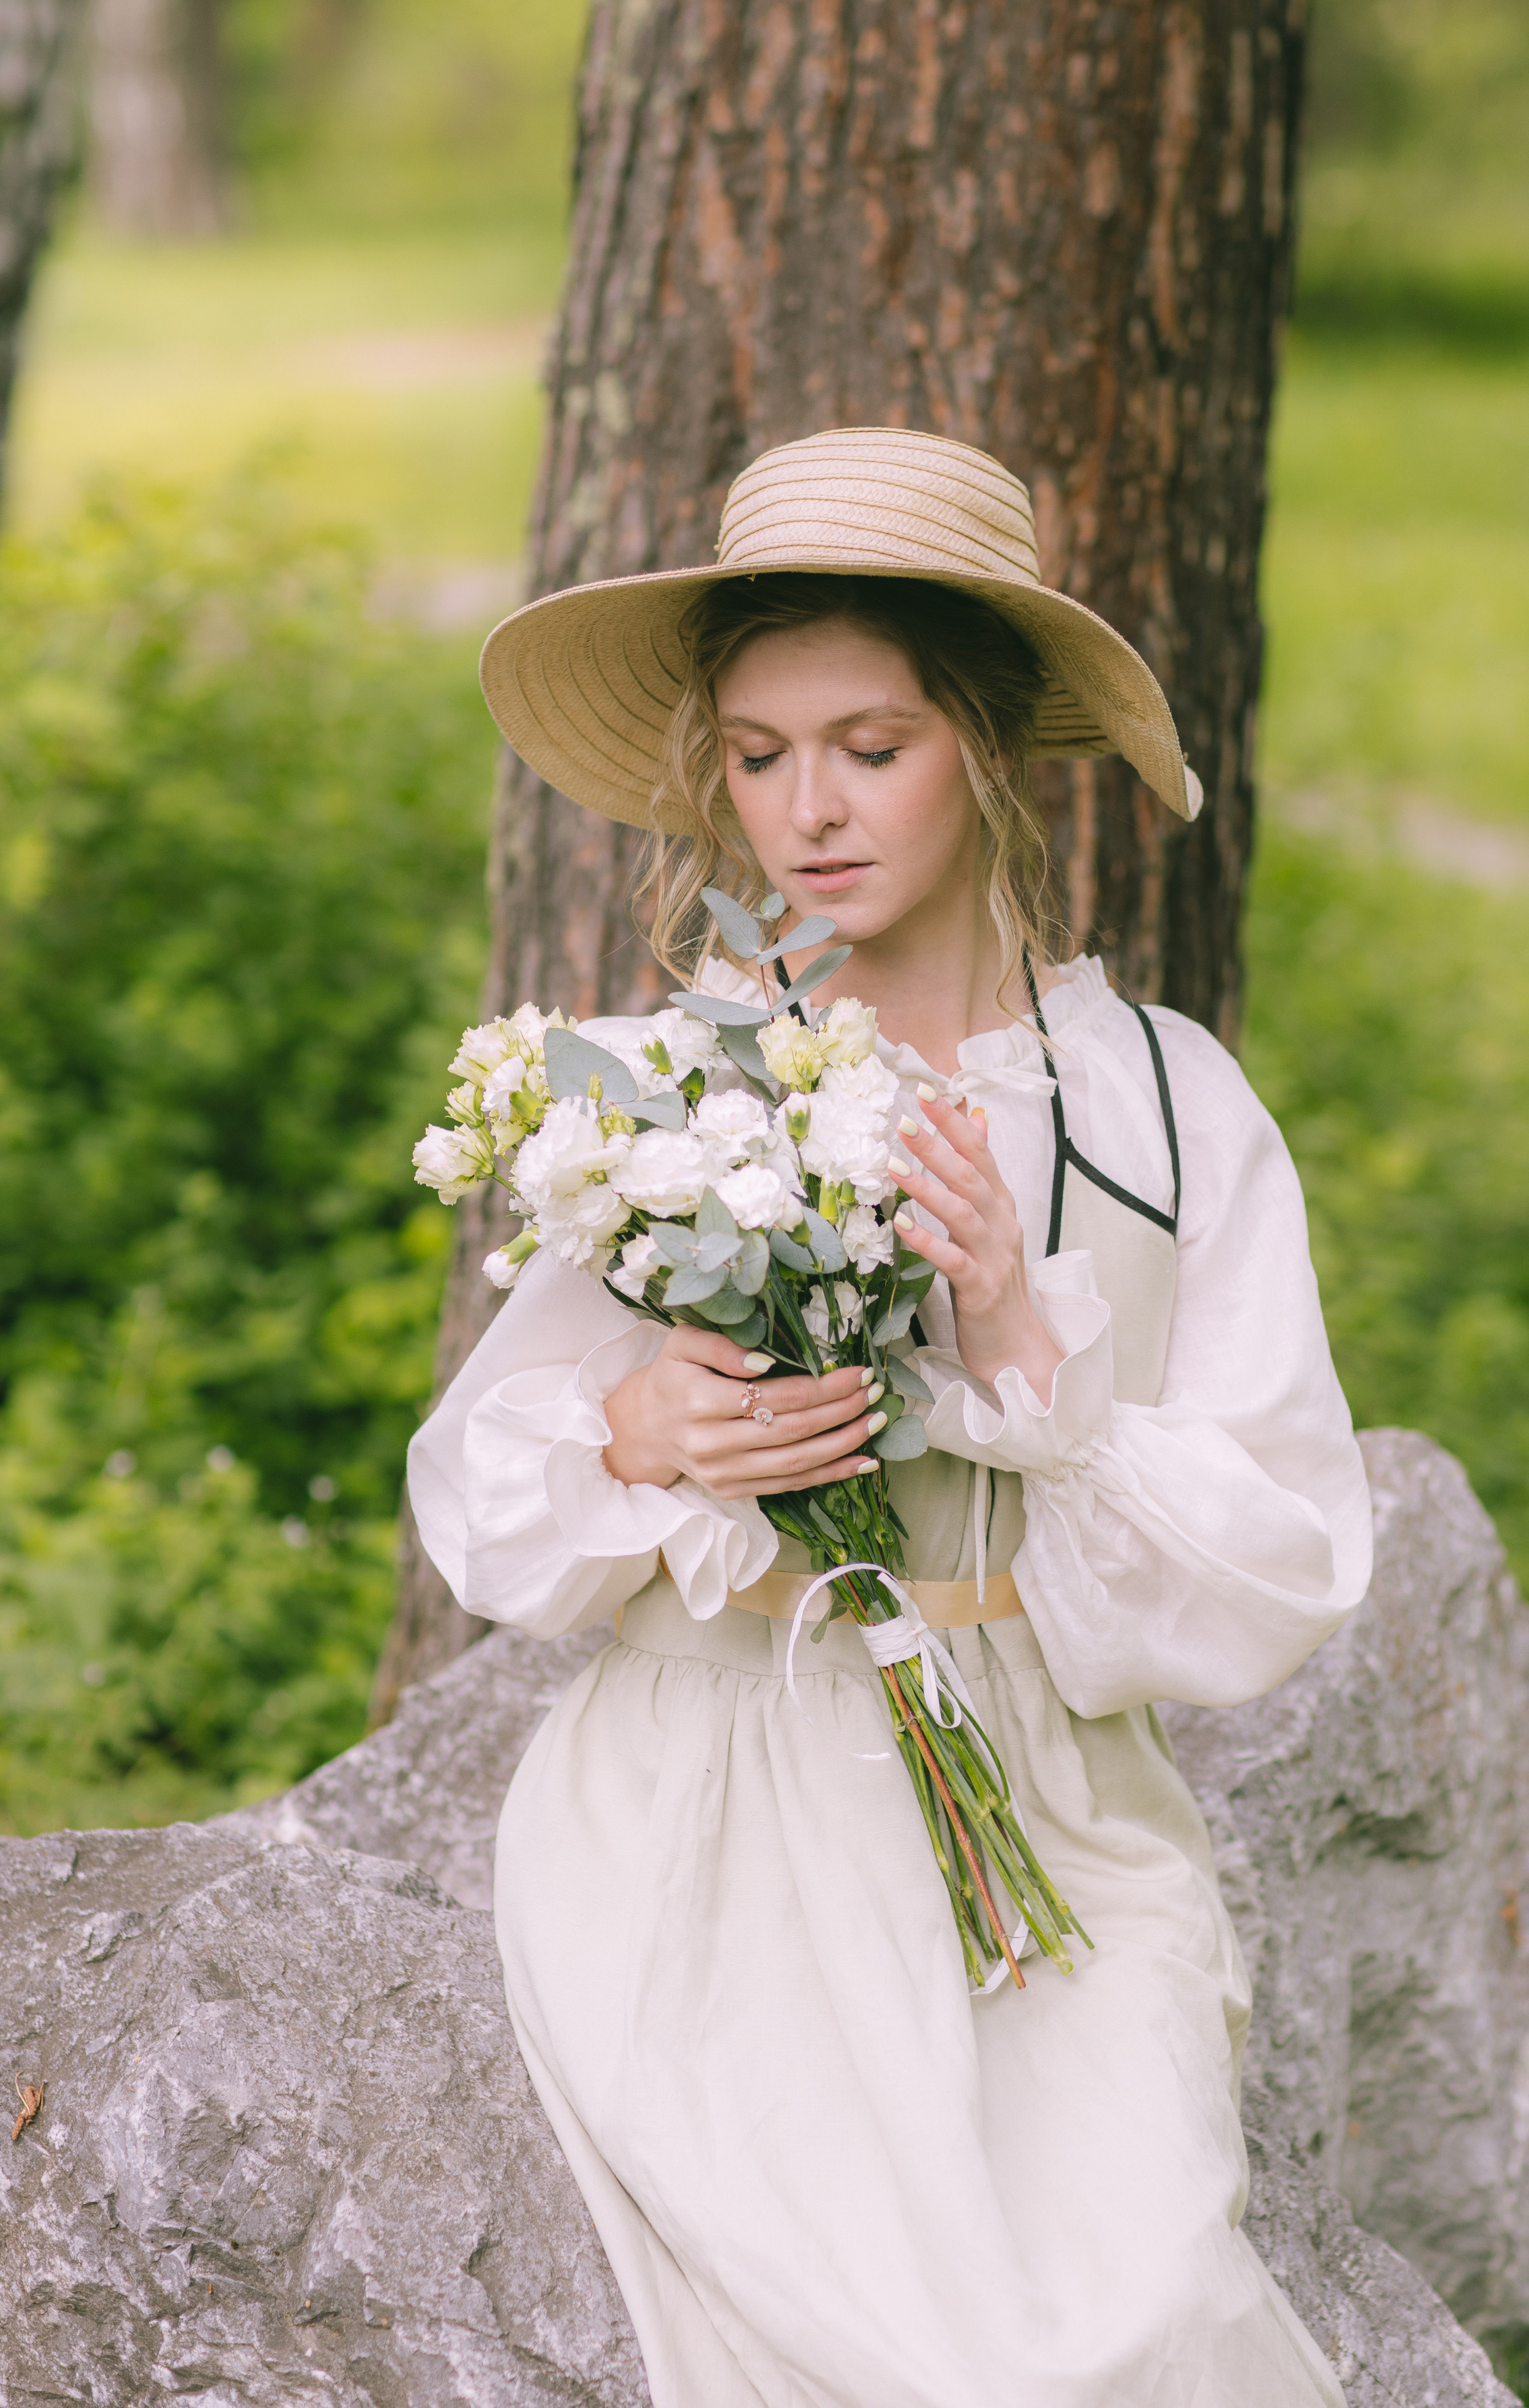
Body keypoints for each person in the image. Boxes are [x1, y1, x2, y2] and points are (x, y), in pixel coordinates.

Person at [409, 427, 1373, 2407]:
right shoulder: (672, 1089)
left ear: (990, 747)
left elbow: (1282, 1552)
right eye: (759, 756)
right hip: (717, 1779)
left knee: (1142, 2324)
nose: (808, 812)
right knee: (884, 2330)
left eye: (871, 743)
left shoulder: (1159, 1108)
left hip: (1055, 1810)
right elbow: (486, 1483)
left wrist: (1029, 1345)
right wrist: (644, 1442)